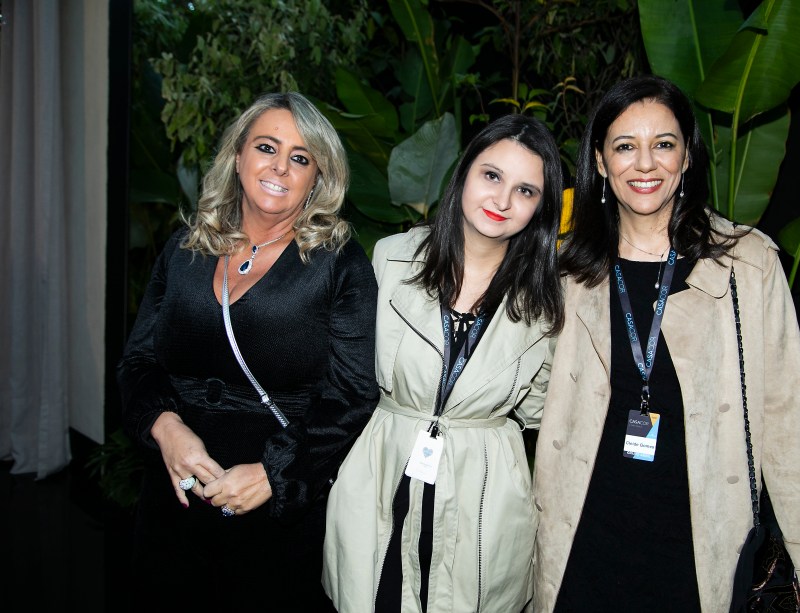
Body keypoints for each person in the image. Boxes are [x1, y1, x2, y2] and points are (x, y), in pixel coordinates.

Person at [532, 75, 800, 612]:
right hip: (583, 537)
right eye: (625, 146)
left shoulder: (748, 264)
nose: (645, 165)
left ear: (687, 156)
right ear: (600, 162)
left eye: (663, 145)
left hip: (699, 544)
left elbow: (785, 414)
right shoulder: (569, 269)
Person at [116, 92, 378, 611]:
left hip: (275, 514)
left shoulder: (337, 263)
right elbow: (138, 362)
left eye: (301, 158)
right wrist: (165, 430)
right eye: (266, 147)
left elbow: (352, 394)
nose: (281, 166)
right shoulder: (186, 246)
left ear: (317, 178)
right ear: (238, 158)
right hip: (175, 499)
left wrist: (273, 475)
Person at [322, 114, 565, 613]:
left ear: (541, 208)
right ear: (464, 173)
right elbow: (344, 374)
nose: (502, 200)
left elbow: (544, 407)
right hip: (383, 474)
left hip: (483, 491)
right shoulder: (389, 259)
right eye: (492, 175)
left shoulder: (545, 299)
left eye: (525, 191)